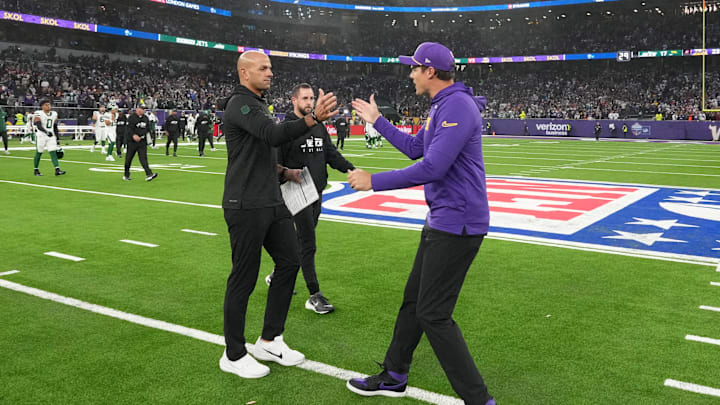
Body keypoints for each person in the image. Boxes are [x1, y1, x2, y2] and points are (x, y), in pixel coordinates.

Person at [346, 42, 495, 405]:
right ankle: (395, 374)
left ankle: (479, 400)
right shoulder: (444, 105)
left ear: (430, 71)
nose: (410, 74)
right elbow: (417, 149)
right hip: (443, 219)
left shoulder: (456, 106)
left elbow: (433, 167)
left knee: (433, 314)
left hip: (458, 225)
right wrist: (378, 121)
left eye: (413, 68)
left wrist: (374, 182)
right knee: (414, 301)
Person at [218, 50, 338, 379]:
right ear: (245, 73)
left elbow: (261, 152)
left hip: (272, 201)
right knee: (244, 276)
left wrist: (284, 171)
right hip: (245, 204)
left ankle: (270, 339)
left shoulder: (258, 105)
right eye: (263, 67)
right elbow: (272, 135)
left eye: (271, 67)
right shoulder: (239, 104)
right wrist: (313, 119)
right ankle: (233, 353)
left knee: (290, 261)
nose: (270, 72)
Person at [265, 83, 355, 314]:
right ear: (293, 100)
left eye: (312, 98)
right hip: (296, 189)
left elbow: (330, 154)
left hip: (317, 190)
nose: (309, 102)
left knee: (302, 240)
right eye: (305, 98)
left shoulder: (318, 126)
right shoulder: (285, 129)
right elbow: (273, 165)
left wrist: (350, 170)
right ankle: (314, 295)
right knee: (308, 242)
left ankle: (277, 274)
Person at [32, 99, 66, 176]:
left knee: (53, 152)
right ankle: (36, 170)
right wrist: (46, 132)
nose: (48, 106)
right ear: (42, 106)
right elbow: (39, 125)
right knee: (39, 152)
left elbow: (54, 126)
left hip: (51, 136)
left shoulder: (54, 114)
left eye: (49, 104)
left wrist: (57, 138)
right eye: (46, 105)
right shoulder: (38, 113)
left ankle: (57, 169)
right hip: (41, 135)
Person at [124, 106, 158, 181]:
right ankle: (126, 174)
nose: (143, 110)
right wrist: (133, 135)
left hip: (142, 141)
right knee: (128, 159)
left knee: (143, 158)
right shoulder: (131, 117)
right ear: (137, 109)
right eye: (142, 109)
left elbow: (148, 128)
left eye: (144, 109)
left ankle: (149, 174)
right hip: (132, 142)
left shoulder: (145, 118)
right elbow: (128, 129)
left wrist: (151, 137)